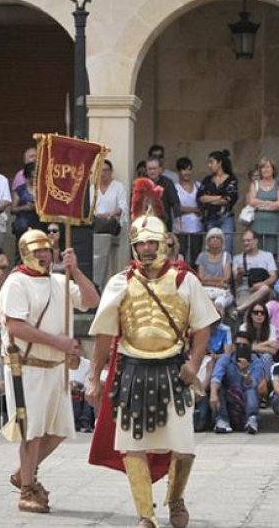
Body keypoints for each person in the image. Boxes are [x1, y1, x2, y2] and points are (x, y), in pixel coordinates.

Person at [86, 201, 219, 528]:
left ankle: (175, 498)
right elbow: (104, 333)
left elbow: (203, 325)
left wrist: (194, 363)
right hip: (132, 371)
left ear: (164, 243)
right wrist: (93, 377)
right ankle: (146, 514)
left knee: (183, 448)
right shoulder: (120, 282)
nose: (146, 249)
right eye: (140, 243)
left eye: (151, 242)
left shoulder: (185, 281)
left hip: (174, 370)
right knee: (133, 448)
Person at [2, 228, 99, 513]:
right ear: (25, 253)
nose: (44, 255)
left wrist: (75, 271)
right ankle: (27, 488)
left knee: (58, 430)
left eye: (47, 250)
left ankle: (23, 472)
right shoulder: (16, 282)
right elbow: (15, 326)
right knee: (31, 431)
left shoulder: (59, 280)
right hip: (27, 366)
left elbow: (92, 301)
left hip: (56, 368)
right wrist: (59, 342)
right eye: (38, 251)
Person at [209, 333, 270, 435]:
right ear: (233, 346)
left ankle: (251, 419)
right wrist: (213, 394)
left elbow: (253, 383)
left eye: (244, 345)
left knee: (251, 389)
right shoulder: (225, 359)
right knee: (218, 388)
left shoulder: (256, 361)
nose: (241, 348)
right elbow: (216, 377)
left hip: (247, 399)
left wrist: (245, 372)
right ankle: (222, 421)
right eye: (238, 345)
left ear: (250, 346)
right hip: (229, 399)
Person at [92, 159, 128, 284]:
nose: (103, 173)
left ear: (111, 171)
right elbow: (90, 209)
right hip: (97, 224)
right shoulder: (93, 188)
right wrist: (99, 216)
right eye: (101, 171)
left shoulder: (118, 187)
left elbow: (123, 207)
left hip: (112, 223)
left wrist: (110, 214)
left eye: (106, 170)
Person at [196, 150, 238, 254]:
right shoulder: (207, 180)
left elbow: (229, 199)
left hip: (226, 218)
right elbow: (200, 197)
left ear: (219, 163)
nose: (209, 165)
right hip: (210, 218)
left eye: (212, 162)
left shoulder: (231, 179)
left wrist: (209, 199)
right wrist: (219, 197)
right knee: (210, 248)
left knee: (227, 247)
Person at [247, 157, 279, 258]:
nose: (265, 170)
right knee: (257, 255)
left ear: (273, 169)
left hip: (274, 227)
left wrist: (260, 205)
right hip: (258, 226)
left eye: (268, 167)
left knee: (274, 256)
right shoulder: (255, 184)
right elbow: (252, 201)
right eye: (262, 167)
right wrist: (270, 203)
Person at [232, 228, 276, 315]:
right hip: (245, 290)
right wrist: (240, 273)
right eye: (244, 241)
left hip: (265, 291)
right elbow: (237, 281)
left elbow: (273, 277)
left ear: (256, 241)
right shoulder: (237, 258)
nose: (246, 243)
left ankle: (239, 309)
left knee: (265, 288)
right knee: (250, 308)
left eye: (248, 240)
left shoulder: (267, 256)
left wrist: (261, 284)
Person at [194, 227, 233, 313]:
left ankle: (220, 321)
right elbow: (201, 278)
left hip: (222, 293)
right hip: (205, 291)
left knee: (218, 305)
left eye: (218, 238)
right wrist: (218, 283)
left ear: (222, 242)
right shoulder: (202, 256)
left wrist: (207, 280)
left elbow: (226, 278)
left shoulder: (226, 256)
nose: (215, 239)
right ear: (208, 241)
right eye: (212, 237)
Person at [11, 161, 40, 239]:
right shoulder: (20, 190)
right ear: (27, 177)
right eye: (32, 177)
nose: (35, 179)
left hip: (39, 221)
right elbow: (13, 209)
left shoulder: (42, 190)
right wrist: (24, 207)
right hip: (23, 222)